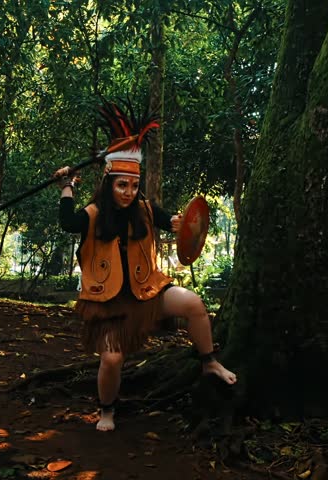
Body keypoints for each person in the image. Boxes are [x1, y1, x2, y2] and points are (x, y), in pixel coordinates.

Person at [53, 102, 236, 432]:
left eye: (134, 186)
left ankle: (209, 361)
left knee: (194, 304)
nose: (129, 192)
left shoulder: (146, 210)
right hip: (109, 302)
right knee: (112, 359)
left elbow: (175, 222)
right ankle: (107, 410)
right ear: (109, 184)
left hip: (146, 291)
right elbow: (67, 223)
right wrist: (67, 185)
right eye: (122, 185)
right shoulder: (93, 214)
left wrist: (183, 224)